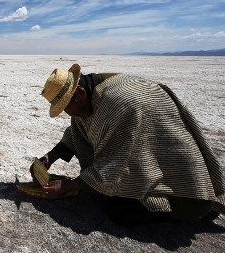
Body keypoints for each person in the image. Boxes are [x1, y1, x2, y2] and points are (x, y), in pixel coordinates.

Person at [31, 63, 225, 224]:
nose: (68, 114)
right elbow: (79, 129)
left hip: (183, 190)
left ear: (79, 93)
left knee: (117, 209)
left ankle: (191, 204)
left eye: (66, 107)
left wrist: (69, 186)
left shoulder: (117, 104)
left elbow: (113, 165)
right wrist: (51, 156)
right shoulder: (92, 93)